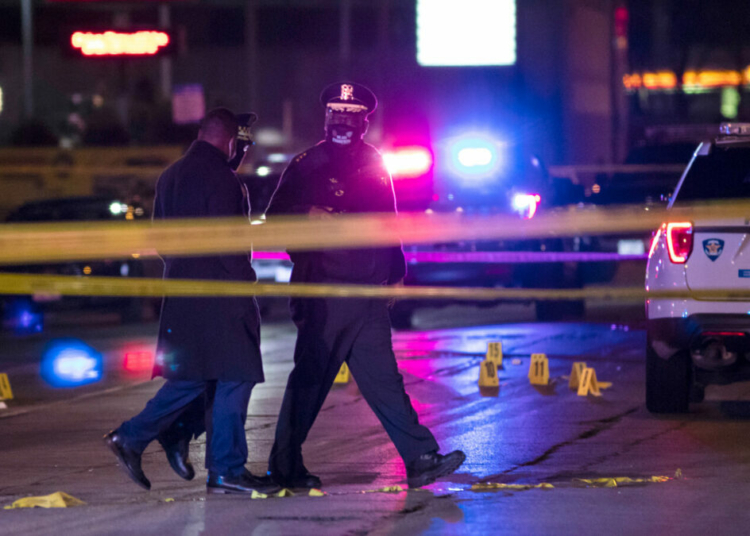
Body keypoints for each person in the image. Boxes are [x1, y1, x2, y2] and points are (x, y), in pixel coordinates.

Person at [264, 82, 466, 489]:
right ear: (326, 118)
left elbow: (388, 221)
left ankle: (420, 458)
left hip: (369, 291)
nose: (342, 121)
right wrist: (308, 212)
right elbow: (274, 217)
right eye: (335, 113)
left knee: (384, 379)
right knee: (311, 380)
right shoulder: (306, 164)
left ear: (363, 121)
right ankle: (284, 465)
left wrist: (396, 272)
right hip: (326, 293)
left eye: (350, 114)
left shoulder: (375, 162)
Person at [104, 108, 279, 495]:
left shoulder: (170, 176)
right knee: (238, 375)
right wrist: (245, 288)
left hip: (182, 296)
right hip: (222, 298)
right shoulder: (223, 179)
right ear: (230, 141)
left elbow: (161, 241)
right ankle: (226, 469)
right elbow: (230, 245)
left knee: (193, 378)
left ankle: (134, 437)